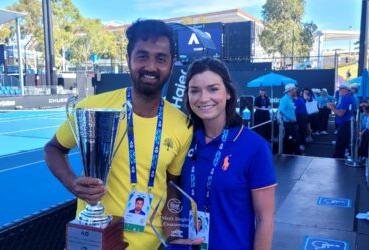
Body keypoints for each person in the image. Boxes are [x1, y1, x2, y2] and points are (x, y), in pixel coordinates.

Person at [44, 19, 192, 250]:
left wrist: (174, 238)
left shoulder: (183, 125)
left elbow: (171, 186)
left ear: (171, 65)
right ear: (128, 61)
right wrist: (72, 183)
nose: (151, 66)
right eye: (142, 56)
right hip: (92, 242)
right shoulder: (93, 108)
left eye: (160, 58)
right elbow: (53, 149)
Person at [181, 57, 276, 250]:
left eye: (213, 89)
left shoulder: (254, 147)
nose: (203, 98)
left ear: (229, 93)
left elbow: (265, 219)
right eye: (195, 91)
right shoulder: (182, 140)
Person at [327, 82, 356, 158]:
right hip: (346, 124)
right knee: (342, 143)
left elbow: (340, 114)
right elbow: (341, 110)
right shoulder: (347, 97)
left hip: (345, 124)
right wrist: (335, 106)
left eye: (341, 89)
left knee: (340, 145)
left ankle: (338, 158)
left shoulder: (347, 98)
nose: (339, 90)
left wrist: (331, 107)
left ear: (346, 90)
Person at [279, 83, 301, 155]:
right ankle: (290, 154)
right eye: (294, 89)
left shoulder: (290, 99)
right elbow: (281, 110)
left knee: (293, 138)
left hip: (292, 123)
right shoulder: (284, 99)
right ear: (290, 90)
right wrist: (290, 118)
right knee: (290, 138)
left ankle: (294, 153)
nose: (295, 90)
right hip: (288, 123)